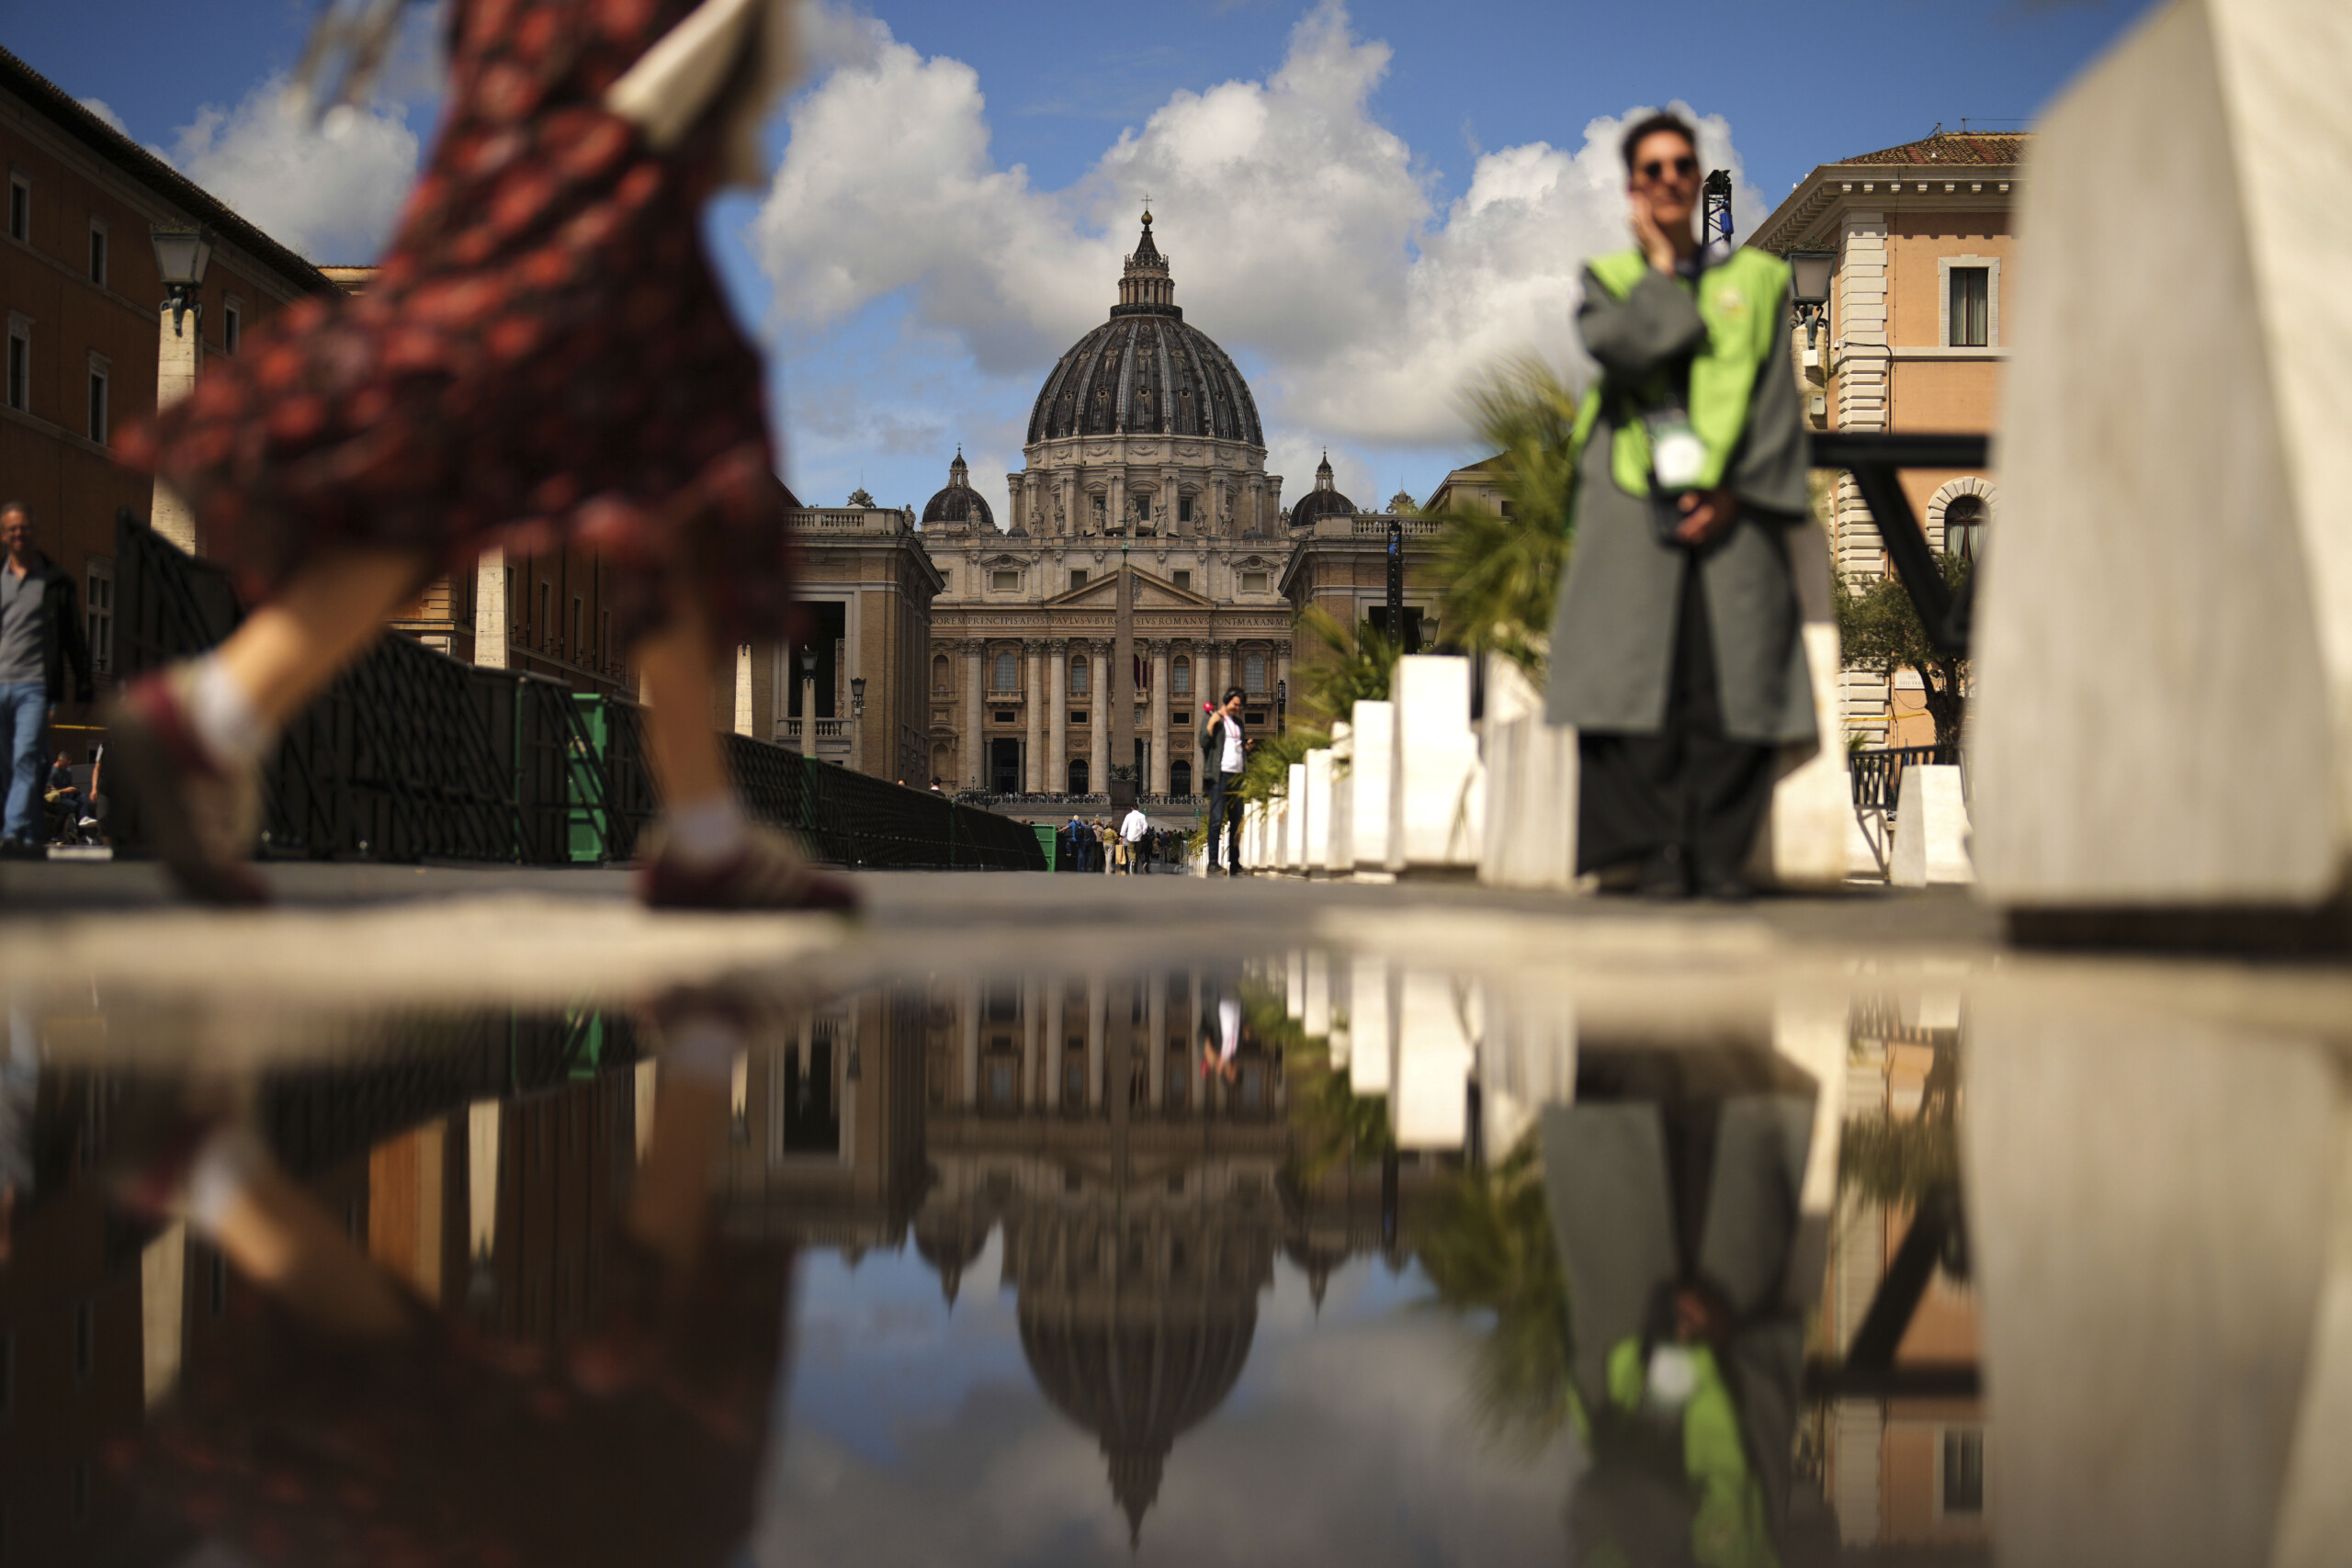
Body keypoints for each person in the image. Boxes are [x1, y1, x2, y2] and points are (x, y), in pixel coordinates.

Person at [107, 0, 847, 913]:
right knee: (668, 457)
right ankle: (701, 833)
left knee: (527, 451)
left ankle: (217, 711)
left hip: (554, 128)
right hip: (597, 150)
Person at [1544, 113, 1814, 901]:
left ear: (1696, 178)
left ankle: (1718, 854)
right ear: (1635, 188)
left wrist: (1734, 488)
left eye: (1680, 167)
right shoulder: (1612, 281)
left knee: (1730, 675)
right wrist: (1662, 268)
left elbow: (1775, 397)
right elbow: (1625, 347)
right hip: (1632, 490)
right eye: (1651, 171)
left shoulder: (1760, 282)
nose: (1668, 181)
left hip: (1737, 492)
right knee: (1635, 681)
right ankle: (1652, 849)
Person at [0, 504, 95, 857]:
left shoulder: (55, 582)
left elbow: (73, 636)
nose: (19, 534)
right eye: (12, 529)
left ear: (34, 533)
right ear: (4, 535)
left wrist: (84, 684)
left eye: (24, 528)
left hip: (34, 687)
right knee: (7, 763)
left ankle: (11, 831)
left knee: (26, 756)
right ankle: (28, 831)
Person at [1200, 687, 1246, 874]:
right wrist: (1211, 724)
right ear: (1226, 701)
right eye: (1235, 704)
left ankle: (1235, 863)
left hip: (1237, 776)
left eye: (1239, 706)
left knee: (1237, 822)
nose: (1237, 708)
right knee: (1216, 819)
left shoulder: (1238, 724)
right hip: (1219, 775)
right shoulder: (1214, 719)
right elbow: (1203, 742)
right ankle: (1212, 863)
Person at [1119, 803, 1149, 874]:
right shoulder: (1142, 816)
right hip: (1139, 836)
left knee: (1130, 850)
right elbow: (1145, 825)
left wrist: (1121, 835)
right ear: (1138, 808)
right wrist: (1143, 832)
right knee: (1137, 852)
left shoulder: (1128, 816)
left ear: (1131, 808)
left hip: (1130, 836)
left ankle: (1132, 860)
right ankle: (1135, 866)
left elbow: (1124, 826)